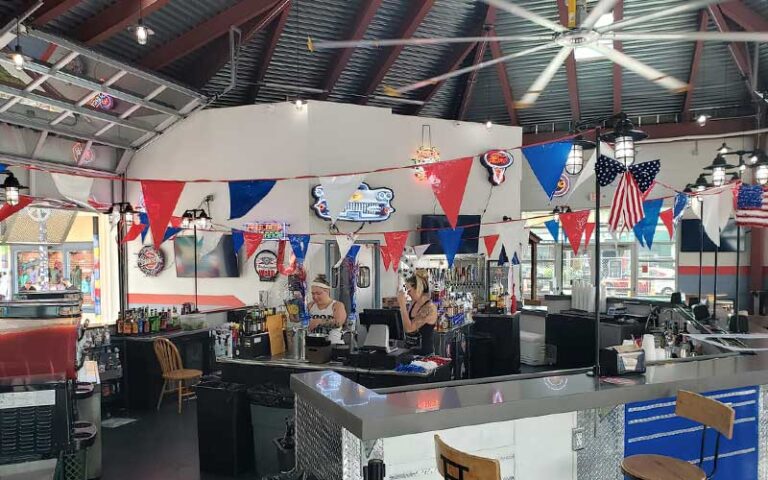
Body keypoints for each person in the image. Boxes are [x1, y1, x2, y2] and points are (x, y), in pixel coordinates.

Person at [397, 271, 438, 355]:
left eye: (409, 290)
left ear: (418, 289)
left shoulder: (430, 308)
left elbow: (409, 328)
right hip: (410, 352)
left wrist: (402, 306)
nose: (407, 293)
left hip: (424, 355)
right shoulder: (413, 303)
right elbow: (405, 324)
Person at [307, 274, 347, 344]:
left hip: (334, 344)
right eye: (313, 294)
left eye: (318, 293)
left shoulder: (337, 305)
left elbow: (339, 322)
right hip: (314, 345)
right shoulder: (310, 305)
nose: (315, 297)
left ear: (327, 291)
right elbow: (297, 320)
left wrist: (319, 321)